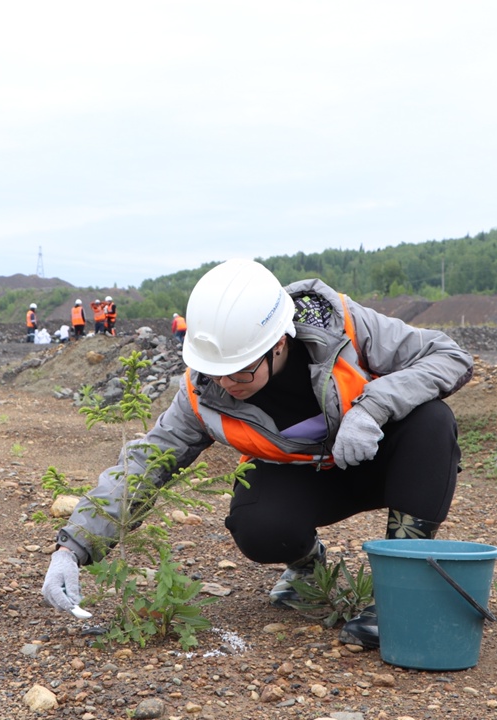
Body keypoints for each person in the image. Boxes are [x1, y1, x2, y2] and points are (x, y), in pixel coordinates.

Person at [42, 258, 473, 649]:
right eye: (216, 371)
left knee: (431, 422)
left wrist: (373, 406)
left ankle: (399, 592)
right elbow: (146, 461)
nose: (227, 383)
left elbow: (448, 356)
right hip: (309, 478)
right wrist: (72, 547)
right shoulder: (203, 392)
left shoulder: (341, 324)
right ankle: (308, 568)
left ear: (280, 342)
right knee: (257, 523)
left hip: (384, 459)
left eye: (242, 369)